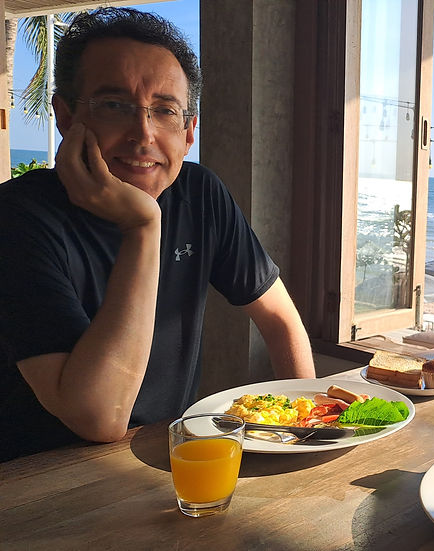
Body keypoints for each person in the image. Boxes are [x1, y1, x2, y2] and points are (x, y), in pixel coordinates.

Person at [0, 8, 315, 461]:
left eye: (164, 111)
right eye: (114, 106)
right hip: (38, 482)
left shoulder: (199, 194)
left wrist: (306, 435)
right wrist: (143, 226)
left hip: (168, 458)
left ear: (188, 133)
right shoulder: (17, 218)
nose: (143, 133)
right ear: (66, 117)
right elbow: (99, 418)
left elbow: (280, 321)